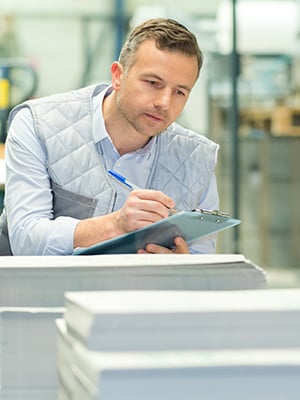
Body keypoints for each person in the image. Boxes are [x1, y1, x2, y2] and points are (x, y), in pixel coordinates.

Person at [0, 18, 219, 256]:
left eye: (180, 92)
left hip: (136, 292)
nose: (164, 103)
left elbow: (201, 257)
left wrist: (181, 267)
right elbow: (25, 240)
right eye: (153, 83)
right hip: (39, 290)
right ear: (117, 75)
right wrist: (116, 225)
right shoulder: (38, 124)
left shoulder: (197, 157)